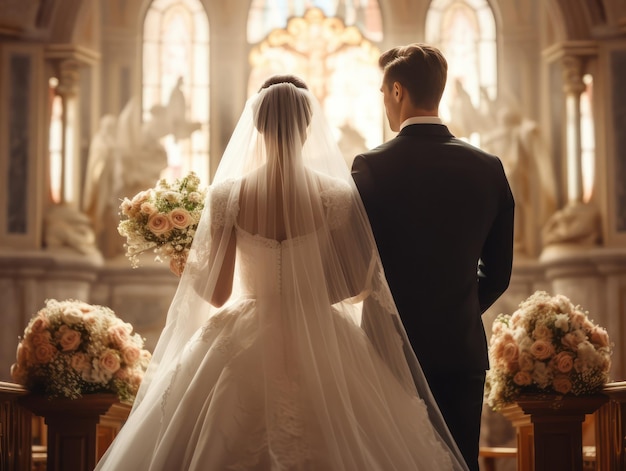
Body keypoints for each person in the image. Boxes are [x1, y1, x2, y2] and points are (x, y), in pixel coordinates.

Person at [95, 75, 468, 470]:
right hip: (324, 335)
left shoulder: (228, 196)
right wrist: (306, 294)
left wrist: (182, 266)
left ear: (256, 127)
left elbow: (219, 295)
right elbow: (359, 283)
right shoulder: (335, 196)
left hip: (243, 334)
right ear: (308, 128)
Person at [351, 44, 515, 471]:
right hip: (458, 349)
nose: (384, 101)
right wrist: (456, 308)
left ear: (398, 90)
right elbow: (498, 273)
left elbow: (352, 258)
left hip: (387, 348)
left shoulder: (369, 167)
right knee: (460, 461)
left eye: (383, 91)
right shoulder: (488, 166)